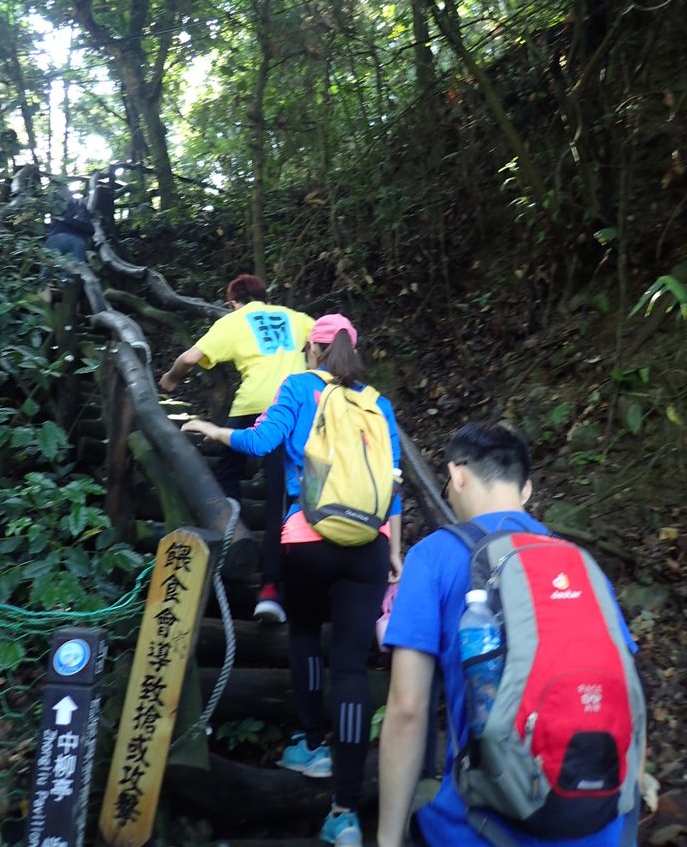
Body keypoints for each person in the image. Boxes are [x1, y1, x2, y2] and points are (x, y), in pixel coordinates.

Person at [183, 313, 403, 847]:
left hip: (307, 540)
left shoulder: (300, 386)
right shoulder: (378, 402)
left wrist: (213, 430)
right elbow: (394, 486)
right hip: (368, 548)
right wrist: (394, 552)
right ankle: (346, 812)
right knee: (351, 667)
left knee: (305, 632)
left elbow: (262, 444)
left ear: (313, 349)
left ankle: (311, 744)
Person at [377, 421, 644, 847]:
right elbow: (627, 691)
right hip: (599, 823)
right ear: (526, 492)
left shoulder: (432, 557)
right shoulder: (578, 562)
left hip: (481, 828)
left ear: (458, 475)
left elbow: (408, 709)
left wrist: (387, 839)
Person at [160, 273, 314, 622]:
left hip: (253, 408)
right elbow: (330, 339)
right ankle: (272, 589)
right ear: (264, 296)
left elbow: (189, 357)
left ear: (232, 302)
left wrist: (169, 379)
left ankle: (231, 527)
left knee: (227, 467)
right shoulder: (296, 318)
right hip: (296, 408)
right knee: (278, 495)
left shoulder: (235, 321)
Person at [45, 191, 94, 262]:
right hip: (75, 240)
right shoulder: (79, 206)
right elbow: (90, 230)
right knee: (77, 270)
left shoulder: (55, 209)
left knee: (49, 268)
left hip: (55, 239)